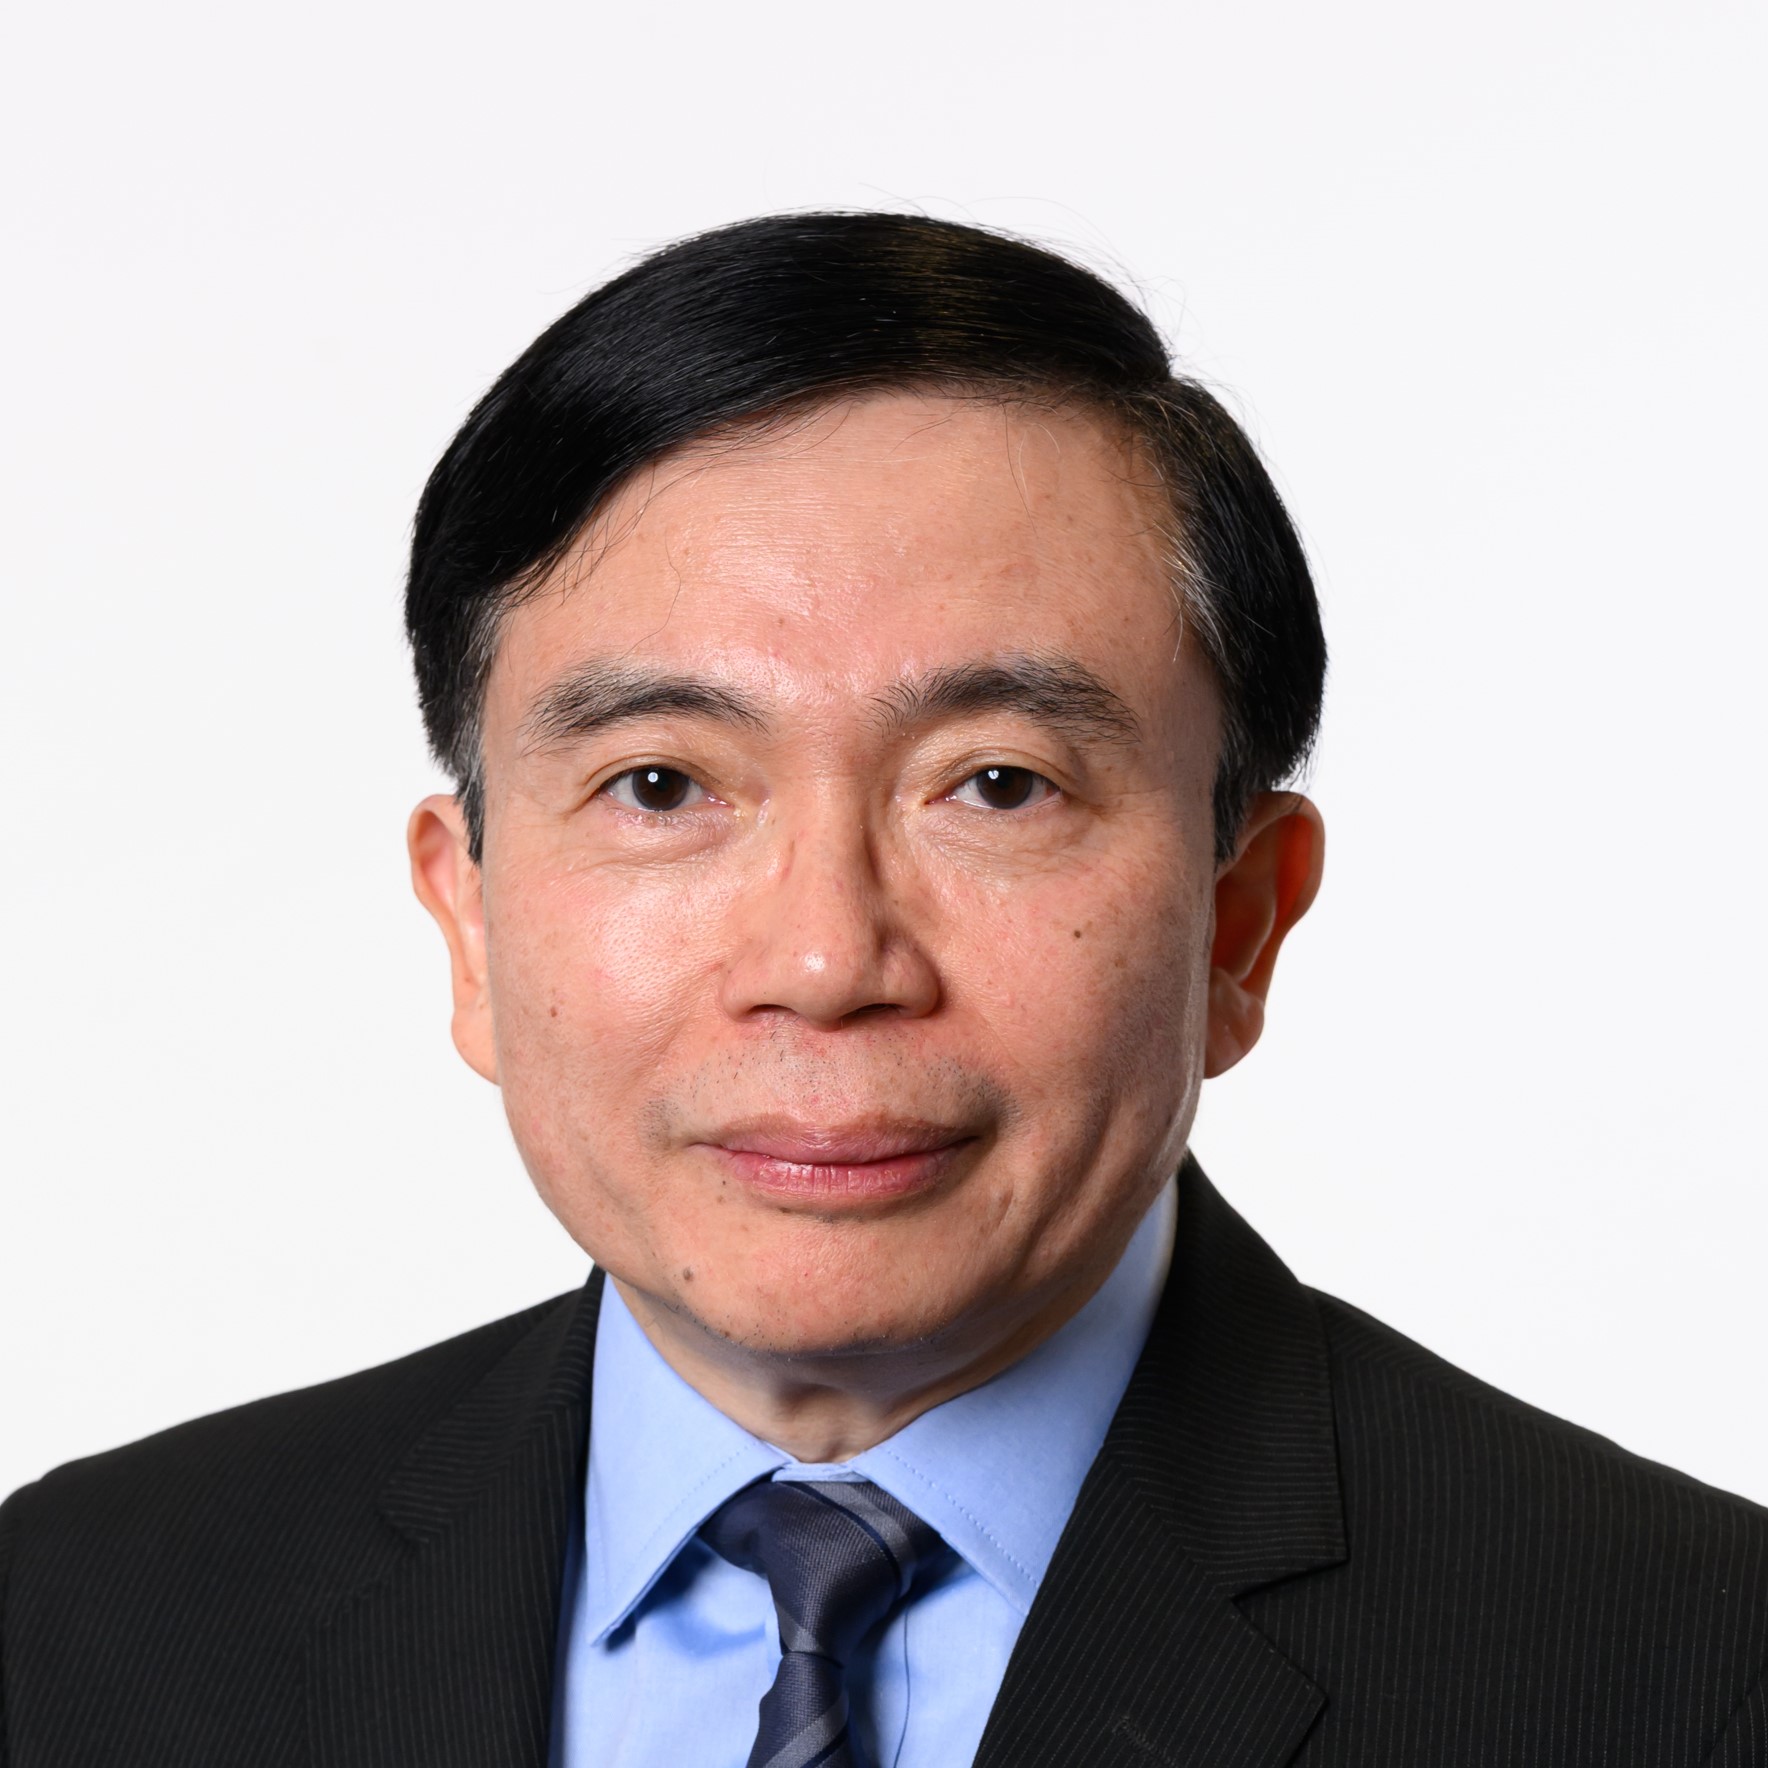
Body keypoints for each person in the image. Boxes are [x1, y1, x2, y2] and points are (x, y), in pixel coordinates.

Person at [2, 212, 1763, 1768]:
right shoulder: (80, 1623)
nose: (828, 962)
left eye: (996, 785)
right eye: (662, 786)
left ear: (1242, 923)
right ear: (468, 920)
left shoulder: (1684, 1675)